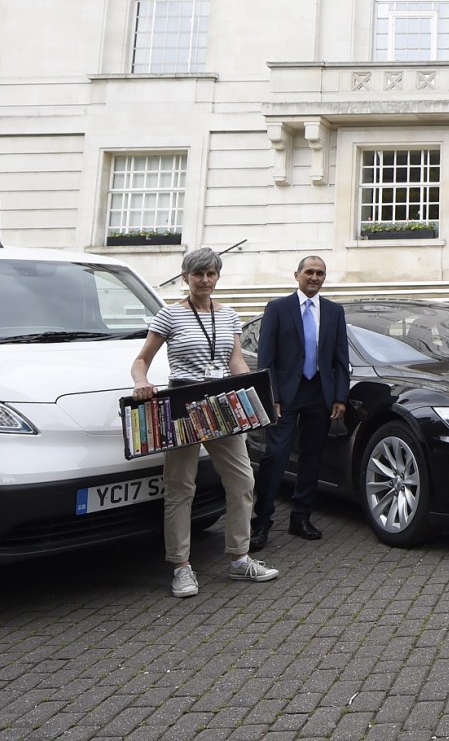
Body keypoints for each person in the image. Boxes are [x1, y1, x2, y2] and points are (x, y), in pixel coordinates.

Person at [131, 246, 279, 598]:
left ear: (217, 277)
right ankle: (181, 566)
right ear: (186, 278)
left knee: (243, 481)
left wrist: (251, 393)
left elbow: (236, 361)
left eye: (210, 273)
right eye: (198, 274)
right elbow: (141, 361)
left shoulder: (229, 316)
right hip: (182, 403)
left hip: (222, 403)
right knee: (181, 487)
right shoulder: (169, 316)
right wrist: (141, 382)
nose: (204, 279)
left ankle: (239, 558)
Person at [251, 254, 350, 549]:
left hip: (320, 394)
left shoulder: (334, 311)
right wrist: (272, 397)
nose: (315, 278)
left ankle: (301, 517)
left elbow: (340, 359)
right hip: (285, 395)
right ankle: (261, 521)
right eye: (309, 272)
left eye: (320, 273)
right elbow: (265, 359)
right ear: (297, 275)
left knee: (312, 457)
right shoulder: (278, 308)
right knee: (276, 456)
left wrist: (340, 397)